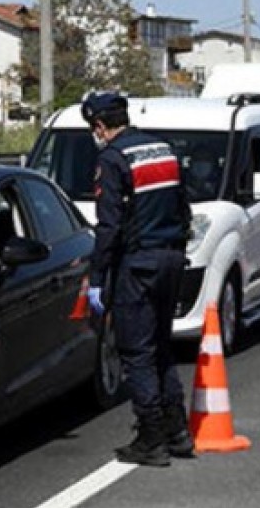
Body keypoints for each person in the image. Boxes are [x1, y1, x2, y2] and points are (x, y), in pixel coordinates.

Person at [82, 91, 193, 467]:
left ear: (99, 125)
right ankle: (178, 430)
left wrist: (97, 276)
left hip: (139, 263)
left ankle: (151, 438)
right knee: (161, 346)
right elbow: (183, 205)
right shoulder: (162, 149)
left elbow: (109, 225)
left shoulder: (112, 159)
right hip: (173, 257)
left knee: (137, 352)